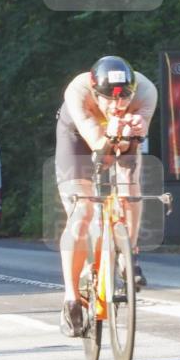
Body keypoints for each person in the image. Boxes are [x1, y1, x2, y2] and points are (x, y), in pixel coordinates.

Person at [55, 56, 157, 337]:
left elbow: (131, 143)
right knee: (83, 212)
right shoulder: (78, 92)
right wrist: (112, 132)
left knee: (129, 183)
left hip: (120, 135)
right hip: (78, 136)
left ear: (133, 90)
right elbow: (99, 146)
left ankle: (129, 254)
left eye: (124, 98)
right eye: (108, 99)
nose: (117, 105)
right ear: (94, 91)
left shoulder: (146, 92)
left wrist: (130, 131)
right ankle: (71, 299)